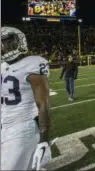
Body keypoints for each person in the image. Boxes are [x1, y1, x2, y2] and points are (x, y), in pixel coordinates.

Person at [1, 26, 52, 170]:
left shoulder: (33, 63)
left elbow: (43, 103)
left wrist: (44, 140)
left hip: (23, 127)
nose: (4, 47)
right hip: (5, 125)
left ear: (19, 41)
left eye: (7, 42)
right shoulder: (2, 66)